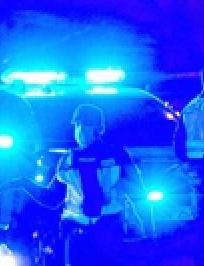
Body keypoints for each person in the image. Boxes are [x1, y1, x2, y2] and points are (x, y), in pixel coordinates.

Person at [9, 104, 141, 266]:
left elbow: (137, 188)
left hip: (108, 228)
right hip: (77, 230)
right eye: (77, 124)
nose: (80, 129)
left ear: (99, 128)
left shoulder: (117, 154)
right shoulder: (69, 159)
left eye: (85, 124)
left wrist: (138, 222)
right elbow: (52, 198)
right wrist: (25, 184)